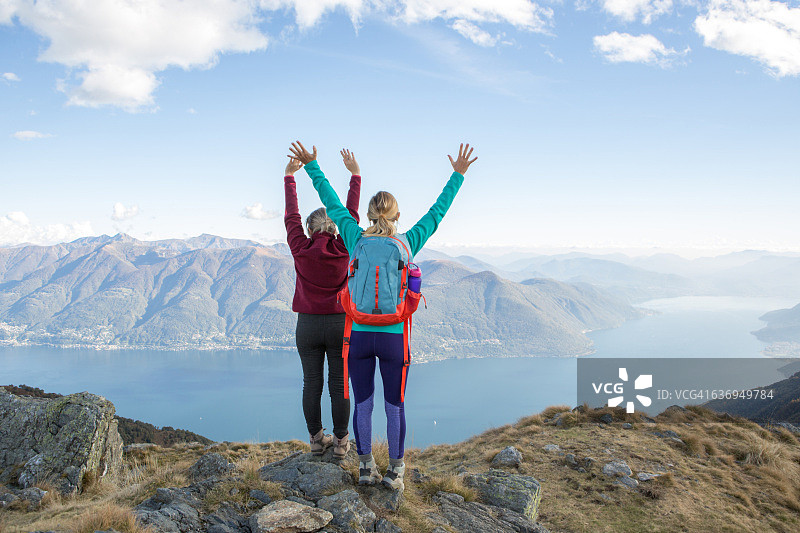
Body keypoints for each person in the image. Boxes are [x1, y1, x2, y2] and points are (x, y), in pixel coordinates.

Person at [288, 141, 477, 491]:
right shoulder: (407, 242)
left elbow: (329, 199)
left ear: (371, 215)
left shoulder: (353, 237)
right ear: (396, 215)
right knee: (395, 406)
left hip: (358, 334)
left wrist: (312, 164)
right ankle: (395, 472)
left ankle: (364, 467)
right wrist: (457, 175)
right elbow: (438, 212)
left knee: (363, 403)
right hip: (393, 337)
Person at [283, 149, 362, 459]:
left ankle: (317, 440)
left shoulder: (299, 246)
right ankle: (342, 443)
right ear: (336, 227)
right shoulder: (346, 245)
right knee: (340, 383)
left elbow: (290, 215)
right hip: (340, 323)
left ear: (308, 229)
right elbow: (351, 214)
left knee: (311, 382)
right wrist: (355, 176)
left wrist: (290, 177)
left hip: (308, 325)